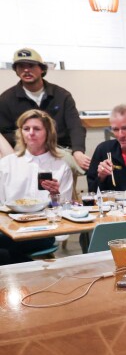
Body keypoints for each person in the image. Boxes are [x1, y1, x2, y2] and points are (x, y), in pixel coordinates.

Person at [0, 48, 90, 173]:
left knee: (72, 167)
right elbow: (5, 132)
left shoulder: (62, 95)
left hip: (60, 148)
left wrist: (78, 151)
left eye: (31, 66)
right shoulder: (6, 99)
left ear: (42, 69)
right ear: (16, 70)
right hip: (26, 149)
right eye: (21, 66)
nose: (26, 70)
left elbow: (75, 126)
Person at [0, 110, 72, 263]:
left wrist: (55, 195)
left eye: (37, 129)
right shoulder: (7, 164)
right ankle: (29, 267)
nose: (31, 133)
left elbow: (65, 210)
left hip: (45, 230)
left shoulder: (60, 166)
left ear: (48, 133)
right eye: (26, 129)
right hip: (11, 228)